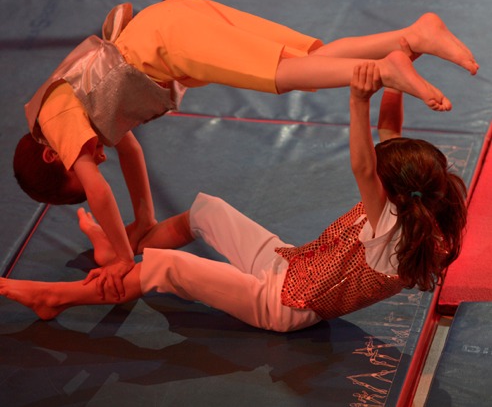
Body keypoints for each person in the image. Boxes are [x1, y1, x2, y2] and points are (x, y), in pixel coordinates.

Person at [13, 0, 477, 298]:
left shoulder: (53, 124)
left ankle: (387, 68)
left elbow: (99, 192)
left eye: (84, 163)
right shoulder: (69, 108)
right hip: (171, 20)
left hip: (166, 42)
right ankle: (412, 37)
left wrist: (120, 256)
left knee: (285, 75)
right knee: (308, 60)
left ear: (53, 155)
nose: (97, 158)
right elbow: (131, 152)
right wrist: (143, 220)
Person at [1, 62, 468, 332]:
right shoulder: (419, 197)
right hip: (291, 264)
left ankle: (55, 298)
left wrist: (358, 98)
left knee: (168, 268)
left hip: (284, 305)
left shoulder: (390, 228)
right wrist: (394, 71)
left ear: (389, 191)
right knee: (208, 210)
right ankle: (128, 248)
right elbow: (389, 134)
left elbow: (364, 164)